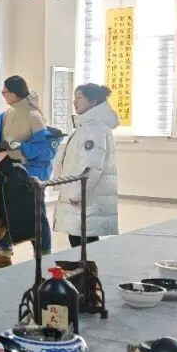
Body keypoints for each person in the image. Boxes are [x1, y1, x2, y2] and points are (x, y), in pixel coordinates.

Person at [0, 75, 62, 270]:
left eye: (4, 91)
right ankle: (2, 253)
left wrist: (20, 148)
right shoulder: (6, 114)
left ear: (14, 93)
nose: (3, 95)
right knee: (2, 211)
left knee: (35, 215)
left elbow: (45, 149)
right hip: (5, 169)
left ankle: (43, 254)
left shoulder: (33, 116)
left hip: (29, 173)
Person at [53, 83, 119, 247]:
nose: (75, 102)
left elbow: (92, 165)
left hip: (85, 198)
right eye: (74, 98)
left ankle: (88, 265)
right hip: (82, 196)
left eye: (80, 97)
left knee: (82, 241)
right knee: (81, 240)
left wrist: (78, 193)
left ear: (93, 101)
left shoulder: (94, 129)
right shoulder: (87, 127)